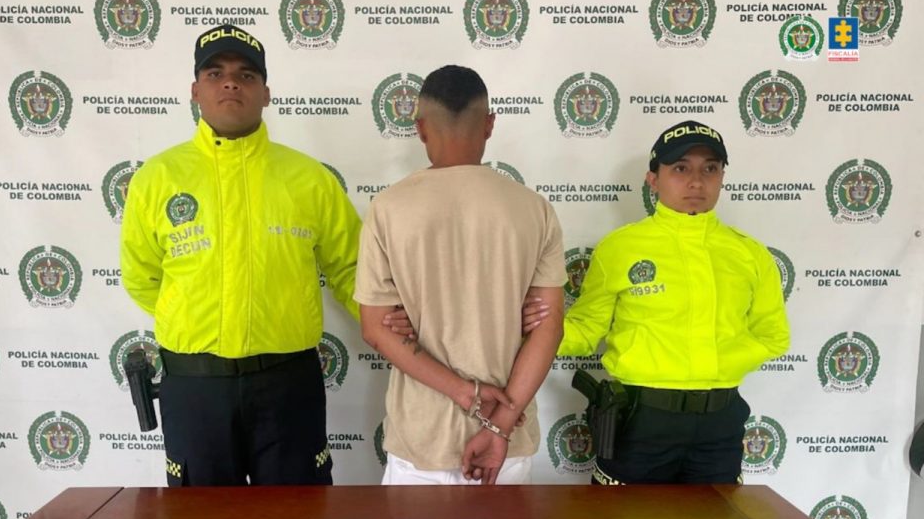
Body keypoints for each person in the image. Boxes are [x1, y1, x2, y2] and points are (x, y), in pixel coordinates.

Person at [120, 24, 410, 486]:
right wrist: (197, 319)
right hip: (194, 386)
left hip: (287, 384)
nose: (230, 82)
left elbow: (353, 270)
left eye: (246, 74)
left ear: (267, 93)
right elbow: (141, 276)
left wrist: (397, 330)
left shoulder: (308, 178)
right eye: (215, 73)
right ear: (195, 90)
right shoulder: (156, 178)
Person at [356, 65, 565, 486]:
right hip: (506, 442)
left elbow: (377, 330)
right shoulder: (534, 209)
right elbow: (549, 328)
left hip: (421, 440)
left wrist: (465, 394)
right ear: (489, 125)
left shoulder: (389, 209)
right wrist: (498, 424)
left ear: (420, 128)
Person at [553, 120, 790, 484]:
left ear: (722, 176)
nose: (696, 181)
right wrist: (527, 334)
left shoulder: (750, 253)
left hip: (719, 423)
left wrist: (712, 371)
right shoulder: (620, 248)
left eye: (710, 169)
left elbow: (773, 335)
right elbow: (585, 329)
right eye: (680, 168)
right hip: (639, 422)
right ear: (653, 179)